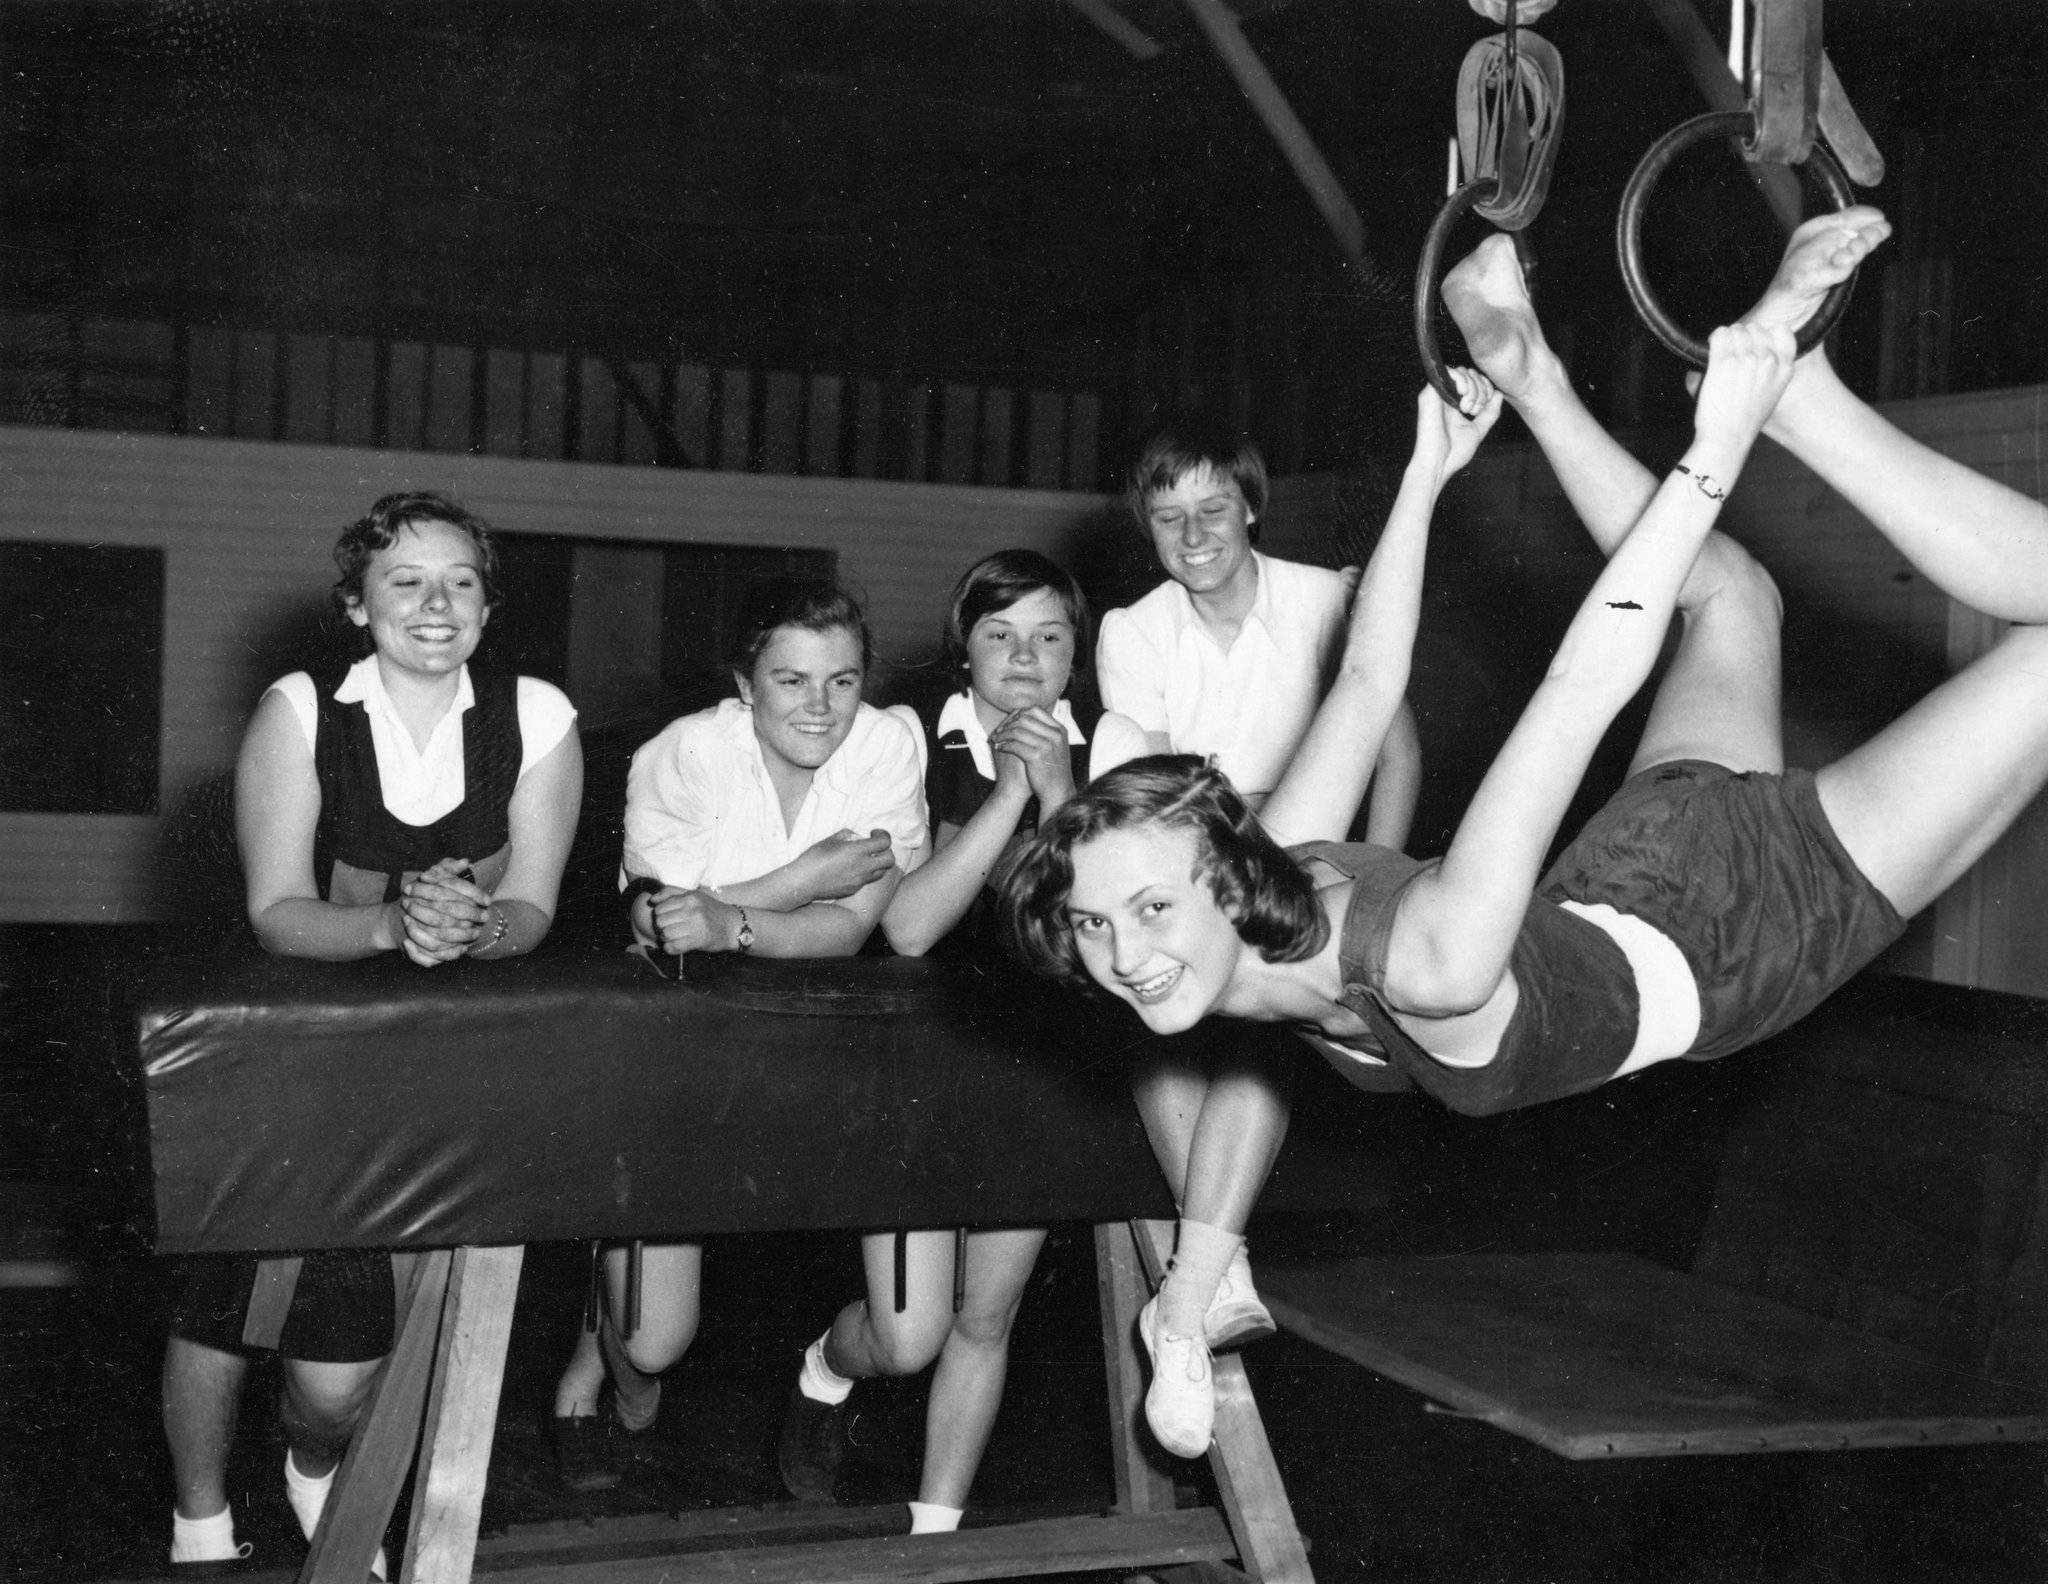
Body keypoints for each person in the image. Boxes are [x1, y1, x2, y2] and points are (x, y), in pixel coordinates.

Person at [1003, 206, 2048, 1459]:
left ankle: (1712, 392)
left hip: (1745, 924)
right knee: (1732, 595)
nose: (1125, 957)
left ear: (1219, 882)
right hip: (1648, 877)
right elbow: (1377, 689)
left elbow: (1432, 682)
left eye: (1148, 911)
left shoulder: (1418, 956)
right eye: (1093, 925)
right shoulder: (1276, 899)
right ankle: (1693, 387)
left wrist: (1437, 473)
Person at [164, 492, 582, 1571]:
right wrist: (397, 924)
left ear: (488, 606)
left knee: (333, 1380)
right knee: (224, 1306)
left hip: (432, 1064)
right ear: (357, 604)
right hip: (293, 1051)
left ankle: (316, 1469)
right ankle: (198, 1526)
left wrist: (478, 928)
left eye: (460, 582)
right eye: (406, 581)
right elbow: (276, 910)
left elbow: (532, 908)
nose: (436, 604)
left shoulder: (538, 716)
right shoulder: (299, 711)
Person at [765, 551, 1145, 1534]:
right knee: (908, 1338)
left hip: (1042, 1064)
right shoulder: (905, 737)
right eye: (999, 635)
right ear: (962, 648)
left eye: (1049, 637)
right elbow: (909, 927)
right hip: (919, 1061)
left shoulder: (1114, 741)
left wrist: (1060, 792)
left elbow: (1105, 930)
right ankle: (825, 1367)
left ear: (1075, 652)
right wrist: (1012, 794)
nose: (1024, 659)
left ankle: (933, 1537)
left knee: (986, 1316)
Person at [549, 575, 929, 1492]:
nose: (820, 705)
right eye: (791, 680)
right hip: (679, 1038)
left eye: (843, 680)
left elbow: (848, 929)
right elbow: (660, 928)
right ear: (744, 684)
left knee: (904, 1320)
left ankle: (766, 1366)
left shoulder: (887, 744)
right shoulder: (685, 752)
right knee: (654, 1345)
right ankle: (600, 1363)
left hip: (814, 1042)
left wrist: (728, 919)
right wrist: (797, 881)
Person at [1094, 416, 1427, 1367]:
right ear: (1147, 529)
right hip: (1199, 882)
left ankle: (1199, 1276)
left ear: (1251, 507)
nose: (1193, 535)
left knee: (1260, 1014)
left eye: (1213, 509)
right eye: (1169, 518)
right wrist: (1256, 811)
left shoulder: (1330, 600)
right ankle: (1218, 1273)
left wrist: (1371, 879)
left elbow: (1398, 752)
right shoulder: (1132, 631)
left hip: (1323, 878)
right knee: (1162, 1021)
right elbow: (1160, 807)